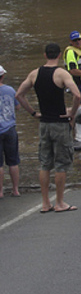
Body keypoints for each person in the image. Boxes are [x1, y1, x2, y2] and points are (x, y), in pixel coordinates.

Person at [16, 43, 81, 213]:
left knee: (44, 163)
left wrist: (33, 113)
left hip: (44, 123)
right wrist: (71, 114)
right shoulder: (61, 73)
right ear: (59, 55)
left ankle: (45, 203)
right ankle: (59, 202)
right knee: (61, 164)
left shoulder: (34, 74)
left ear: (45, 55)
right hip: (59, 122)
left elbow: (19, 95)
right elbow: (77, 95)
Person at [0, 65, 21, 198]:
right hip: (10, 129)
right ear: (2, 76)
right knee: (13, 161)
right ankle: (15, 189)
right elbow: (18, 107)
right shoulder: (10, 90)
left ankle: (0, 191)